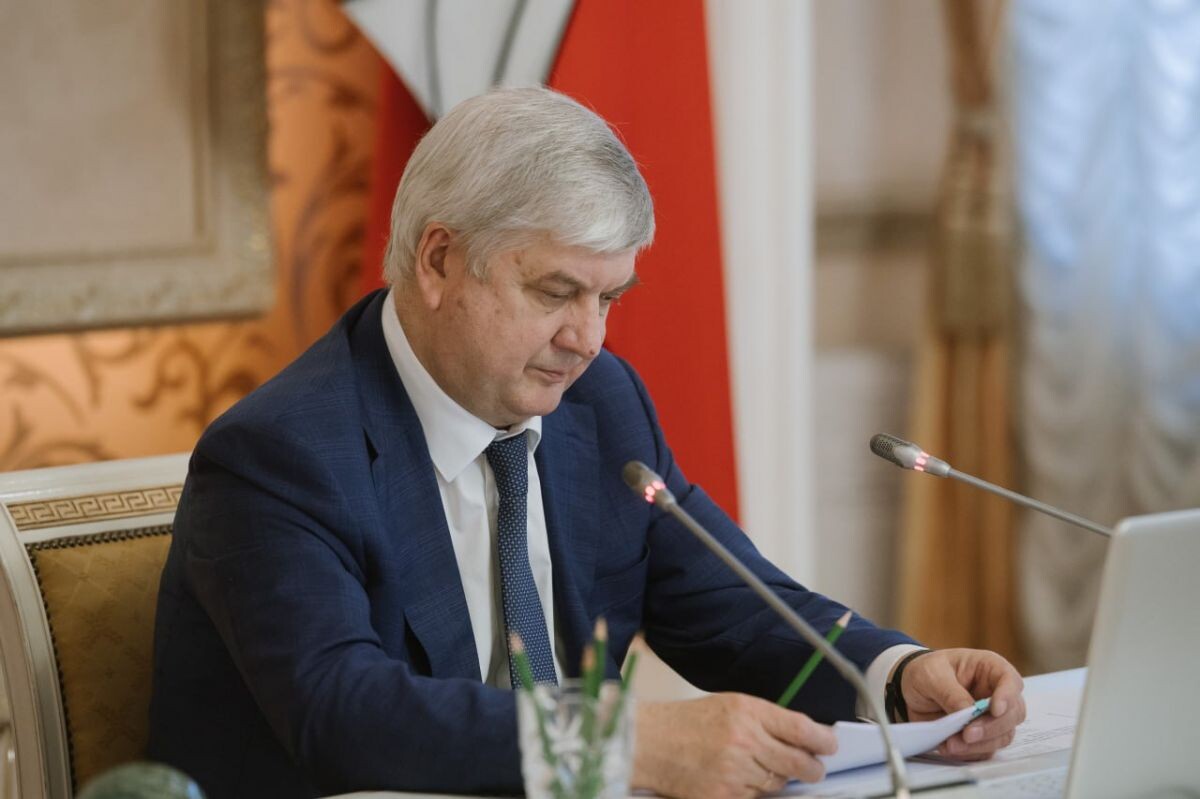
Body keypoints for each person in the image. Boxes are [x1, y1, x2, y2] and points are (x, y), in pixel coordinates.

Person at [148, 87, 1024, 799]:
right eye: (556, 292)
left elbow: (736, 608)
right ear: (439, 260)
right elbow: (345, 716)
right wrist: (623, 744)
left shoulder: (599, 405)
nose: (588, 339)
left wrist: (897, 674)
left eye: (609, 299)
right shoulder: (280, 455)